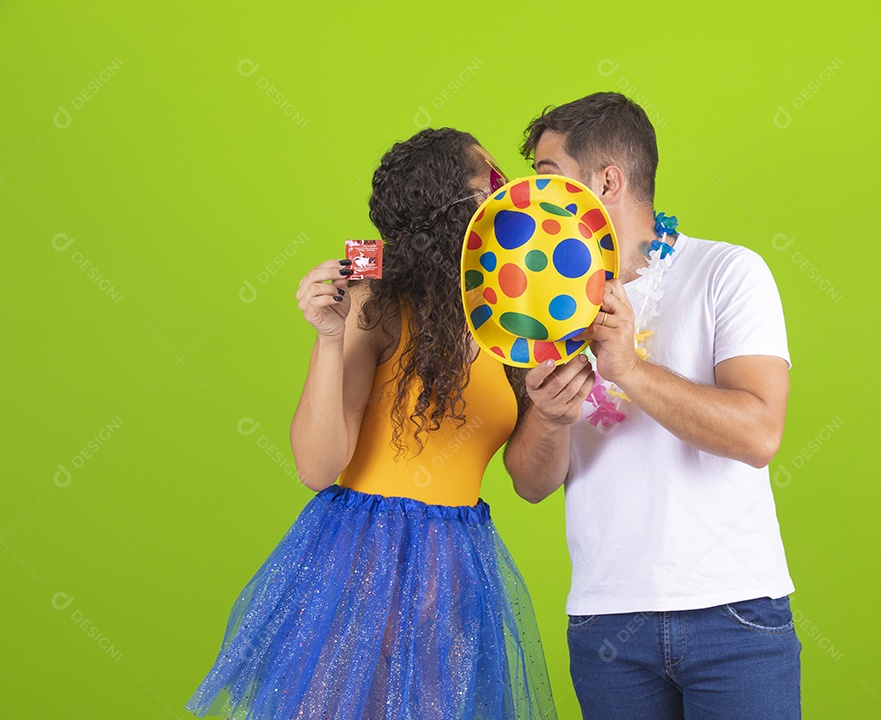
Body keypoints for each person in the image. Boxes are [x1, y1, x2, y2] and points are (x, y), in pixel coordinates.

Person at [185, 128, 556, 720]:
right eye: (490, 180)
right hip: (367, 557)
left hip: (459, 563)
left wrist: (563, 402)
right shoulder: (376, 303)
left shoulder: (512, 318)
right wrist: (328, 341)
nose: (508, 190)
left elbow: (536, 483)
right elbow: (316, 466)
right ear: (451, 210)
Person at [503, 92, 801, 718]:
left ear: (606, 180)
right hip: (606, 622)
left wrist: (631, 371)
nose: (531, 198)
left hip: (734, 613)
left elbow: (758, 434)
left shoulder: (729, 272)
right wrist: (552, 419)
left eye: (549, 178)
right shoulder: (539, 301)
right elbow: (530, 484)